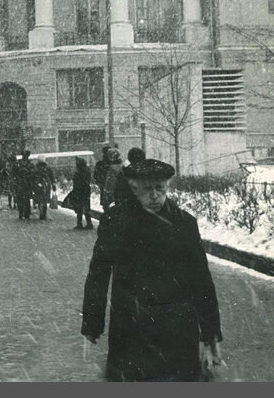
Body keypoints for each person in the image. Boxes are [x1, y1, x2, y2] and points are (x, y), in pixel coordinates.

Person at [81, 158, 223, 381]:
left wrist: (210, 332)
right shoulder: (116, 221)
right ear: (134, 188)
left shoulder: (184, 223)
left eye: (160, 188)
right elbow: (99, 273)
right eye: (148, 189)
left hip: (178, 327)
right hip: (131, 325)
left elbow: (201, 279)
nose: (155, 195)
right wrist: (92, 322)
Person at [70, 156, 94, 230]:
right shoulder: (86, 170)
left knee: (80, 208)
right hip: (85, 191)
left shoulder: (80, 171)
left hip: (80, 191)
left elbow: (80, 181)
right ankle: (88, 223)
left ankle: (80, 224)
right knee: (86, 208)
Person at [99, 148, 123, 212]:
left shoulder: (111, 169)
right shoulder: (123, 167)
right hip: (121, 196)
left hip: (112, 197)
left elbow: (110, 185)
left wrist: (107, 194)